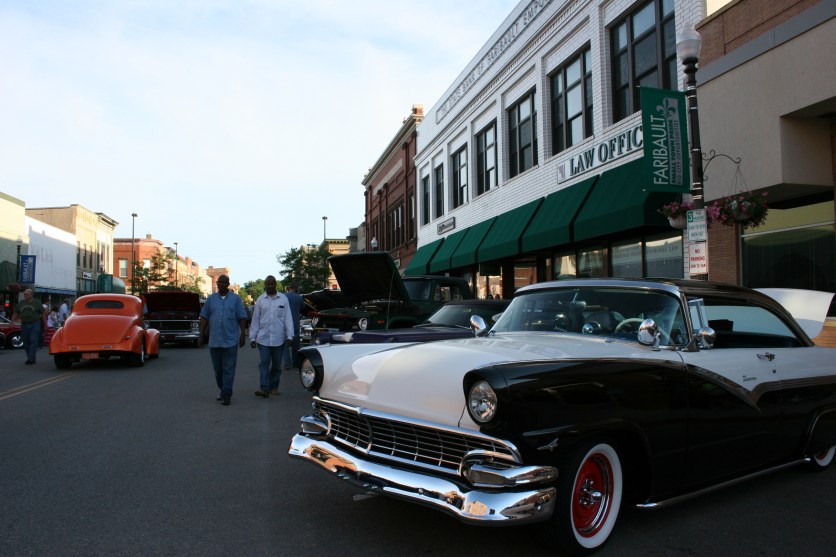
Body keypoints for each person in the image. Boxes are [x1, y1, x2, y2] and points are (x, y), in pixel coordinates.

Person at [198, 275, 248, 406]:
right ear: (217, 283)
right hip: (214, 340)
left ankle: (227, 394)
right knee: (218, 369)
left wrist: (243, 334)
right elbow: (204, 317)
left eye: (223, 282)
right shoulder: (211, 299)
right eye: (219, 282)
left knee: (229, 368)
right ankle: (222, 390)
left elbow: (242, 317)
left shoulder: (236, 299)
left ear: (228, 284)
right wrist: (201, 335)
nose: (220, 284)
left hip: (230, 340)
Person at [248, 275, 294, 397]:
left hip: (279, 339)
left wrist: (290, 336)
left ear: (275, 284)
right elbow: (256, 320)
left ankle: (274, 387)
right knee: (264, 363)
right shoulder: (260, 300)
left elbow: (288, 318)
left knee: (277, 365)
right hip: (263, 339)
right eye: (268, 284)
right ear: (265, 285)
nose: (270, 286)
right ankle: (264, 388)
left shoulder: (283, 299)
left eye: (272, 284)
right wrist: (252, 337)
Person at [11, 288, 47, 365]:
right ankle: (31, 357)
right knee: (26, 342)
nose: (25, 295)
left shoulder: (37, 303)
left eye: (26, 294)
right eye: (24, 294)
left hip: (35, 323)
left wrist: (45, 325)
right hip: (24, 324)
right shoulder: (21, 303)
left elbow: (43, 314)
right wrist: (12, 321)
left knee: (33, 340)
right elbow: (16, 313)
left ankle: (30, 358)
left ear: (31, 295)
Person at [282, 283, 303, 370]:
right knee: (296, 345)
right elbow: (303, 307)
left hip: (285, 324)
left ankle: (287, 363)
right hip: (296, 324)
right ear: (295, 288)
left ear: (289, 288)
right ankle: (295, 362)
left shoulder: (283, 297)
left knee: (285, 345)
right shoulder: (299, 297)